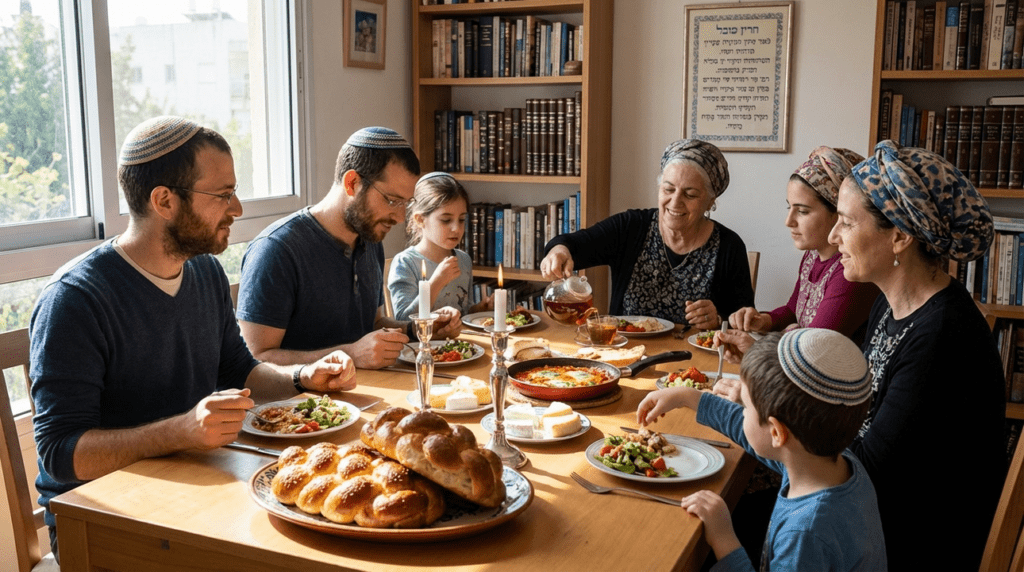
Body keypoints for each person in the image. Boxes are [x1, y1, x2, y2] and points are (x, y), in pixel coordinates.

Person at [30, 116, 356, 562]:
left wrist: (302, 378)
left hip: (194, 490)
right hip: (103, 521)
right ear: (164, 200)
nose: (237, 208)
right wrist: (180, 431)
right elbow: (60, 453)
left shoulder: (204, 271)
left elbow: (240, 371)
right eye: (222, 195)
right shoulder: (75, 300)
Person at [827, 141, 1004, 570]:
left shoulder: (942, 336)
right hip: (876, 514)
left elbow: (865, 472)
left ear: (900, 237)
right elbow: (858, 412)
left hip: (910, 543)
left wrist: (770, 418)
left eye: (847, 223)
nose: (833, 238)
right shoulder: (889, 303)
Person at [637, 330, 887, 572]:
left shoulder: (805, 535)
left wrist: (724, 539)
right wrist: (690, 397)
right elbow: (757, 434)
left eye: (745, 407)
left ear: (777, 432)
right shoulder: (830, 461)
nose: (741, 412)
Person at [236, 127, 462, 370]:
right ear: (352, 183)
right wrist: (350, 354)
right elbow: (256, 360)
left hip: (368, 391)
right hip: (303, 405)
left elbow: (372, 325)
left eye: (406, 203)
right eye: (391, 201)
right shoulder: (276, 250)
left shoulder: (370, 238)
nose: (399, 217)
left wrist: (419, 329)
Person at [540, 139, 753, 328]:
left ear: (710, 201)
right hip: (626, 356)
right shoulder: (632, 227)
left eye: (690, 194)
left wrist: (717, 320)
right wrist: (559, 250)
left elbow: (744, 320)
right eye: (668, 189)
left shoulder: (728, 246)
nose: (676, 201)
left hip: (692, 365)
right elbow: (573, 244)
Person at [725, 147, 879, 347]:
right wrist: (764, 320)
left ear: (838, 214)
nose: (789, 221)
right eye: (790, 207)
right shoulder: (813, 254)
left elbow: (813, 346)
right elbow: (793, 310)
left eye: (803, 211)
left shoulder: (851, 272)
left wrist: (755, 348)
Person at [388, 172, 493, 320]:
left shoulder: (463, 260)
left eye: (462, 219)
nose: (456, 228)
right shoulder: (405, 263)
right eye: (445, 220)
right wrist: (437, 282)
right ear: (420, 220)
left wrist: (480, 308)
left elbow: (463, 312)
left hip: (457, 342)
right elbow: (404, 320)